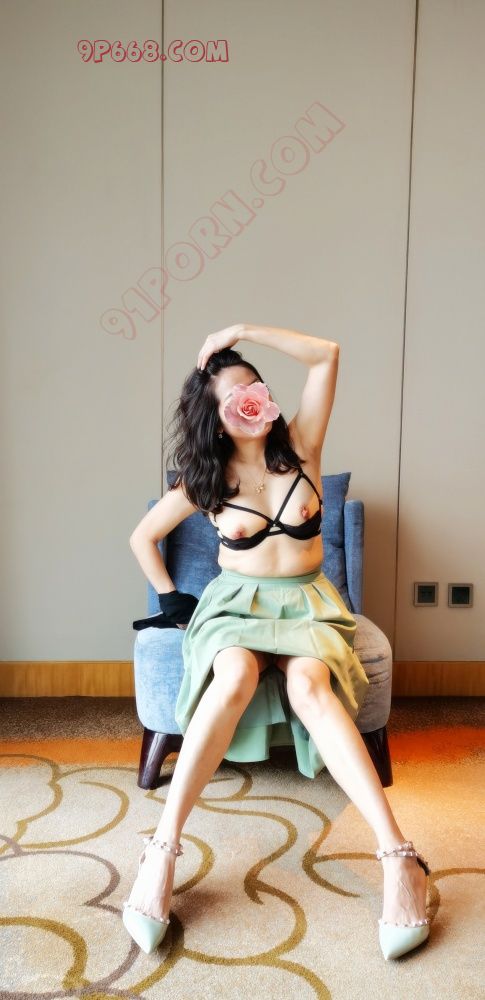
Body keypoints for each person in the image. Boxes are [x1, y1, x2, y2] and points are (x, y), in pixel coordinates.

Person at [123, 323, 431, 960]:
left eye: (255, 387)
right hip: (236, 606)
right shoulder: (205, 478)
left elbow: (327, 355)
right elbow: (142, 538)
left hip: (307, 602)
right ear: (213, 419)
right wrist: (174, 600)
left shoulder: (305, 446)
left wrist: (241, 332)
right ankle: (162, 851)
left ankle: (398, 856)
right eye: (232, 398)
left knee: (310, 686)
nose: (250, 400)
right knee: (234, 675)